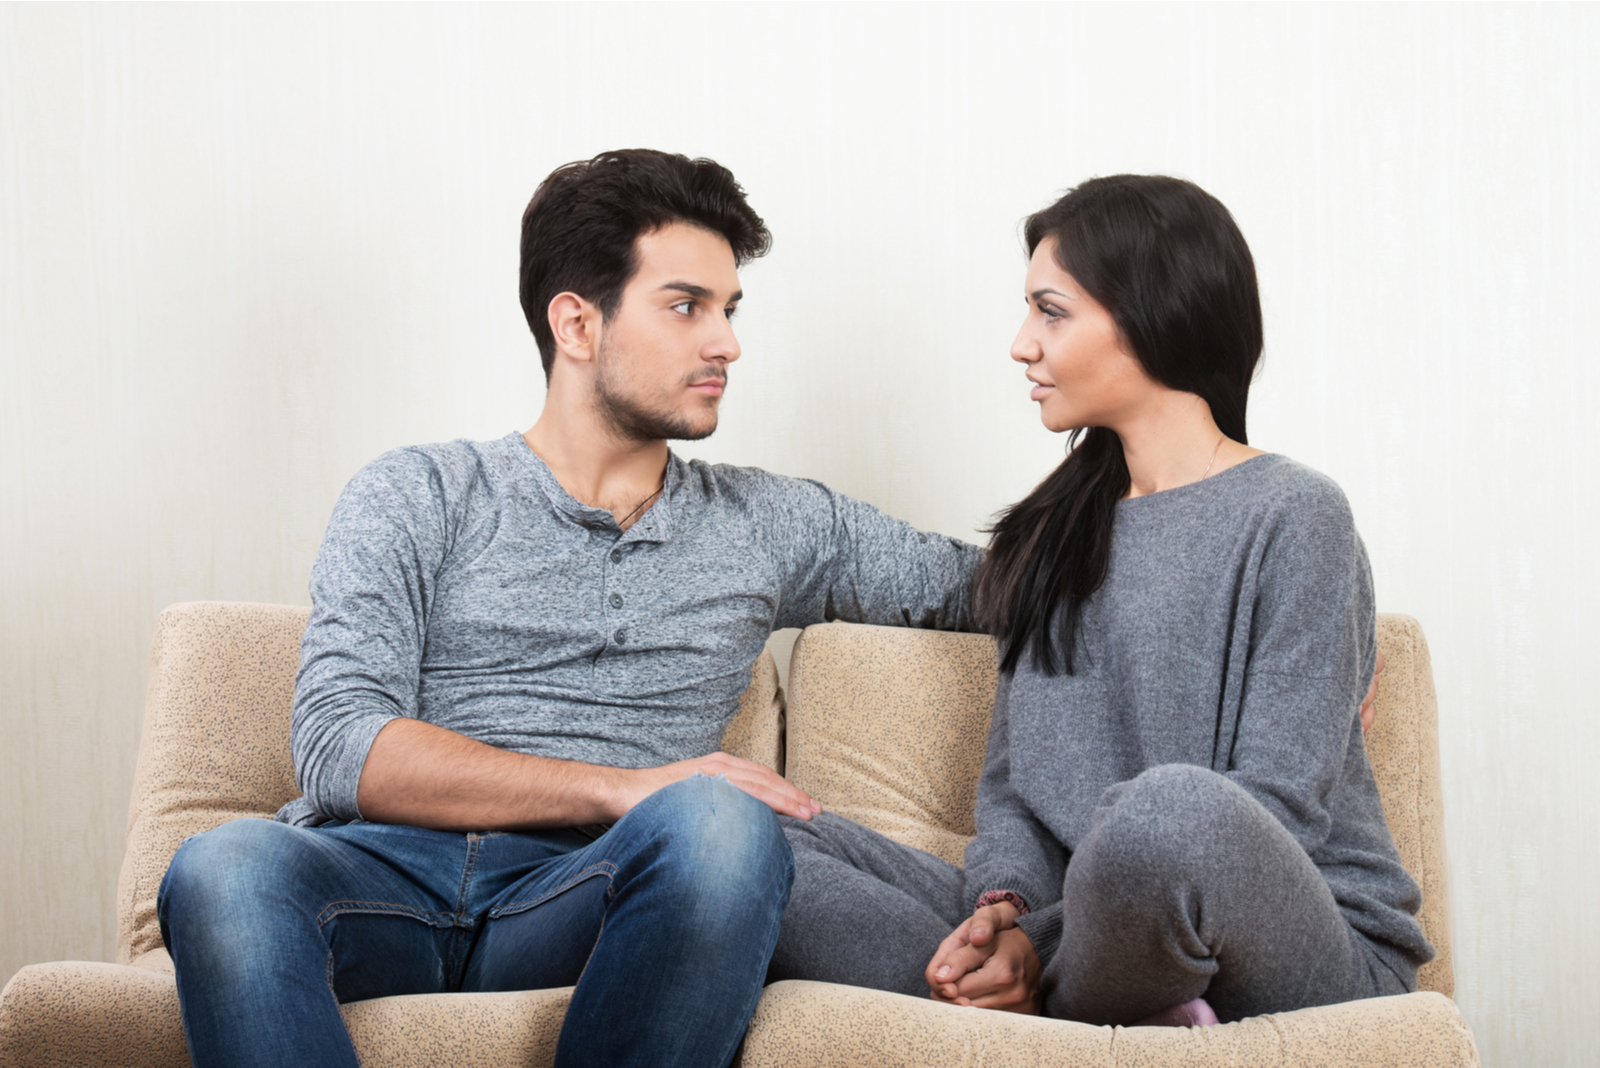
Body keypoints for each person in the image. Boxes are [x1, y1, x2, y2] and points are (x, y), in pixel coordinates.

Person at [155, 149, 982, 1068]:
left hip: (579, 897)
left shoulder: (771, 523)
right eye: (686, 306)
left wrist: (1153, 447)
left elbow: (988, 586)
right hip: (378, 881)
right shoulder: (420, 491)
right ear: (577, 323)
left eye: (730, 310)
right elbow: (341, 743)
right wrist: (620, 787)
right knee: (221, 864)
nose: (727, 343)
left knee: (718, 823)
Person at [770, 174, 1432, 1026]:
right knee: (751, 841)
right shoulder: (1051, 535)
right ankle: (1055, 997)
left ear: (1152, 315)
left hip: (1289, 929)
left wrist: (1081, 908)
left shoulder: (1297, 514)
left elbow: (1280, 807)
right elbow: (1012, 791)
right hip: (1083, 924)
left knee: (1167, 816)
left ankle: (1042, 1003)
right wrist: (1001, 914)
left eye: (1051, 312)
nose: (1020, 344)